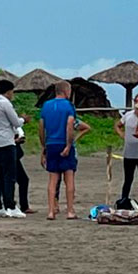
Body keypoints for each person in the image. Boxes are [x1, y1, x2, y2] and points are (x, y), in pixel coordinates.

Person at [0, 79, 30, 218]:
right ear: (9, 91)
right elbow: (15, 122)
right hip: (6, 143)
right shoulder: (5, 103)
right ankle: (10, 206)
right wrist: (23, 119)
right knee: (9, 176)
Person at [39, 80, 79, 220]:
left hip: (51, 144)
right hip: (63, 142)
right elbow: (69, 125)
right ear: (66, 91)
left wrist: (43, 146)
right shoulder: (69, 106)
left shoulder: (46, 106)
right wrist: (68, 145)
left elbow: (41, 127)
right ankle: (70, 210)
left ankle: (50, 211)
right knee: (69, 178)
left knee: (52, 179)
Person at [114, 92, 138, 207]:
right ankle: (123, 201)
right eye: (136, 101)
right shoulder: (128, 115)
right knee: (128, 179)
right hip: (129, 152)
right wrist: (122, 135)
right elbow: (117, 125)